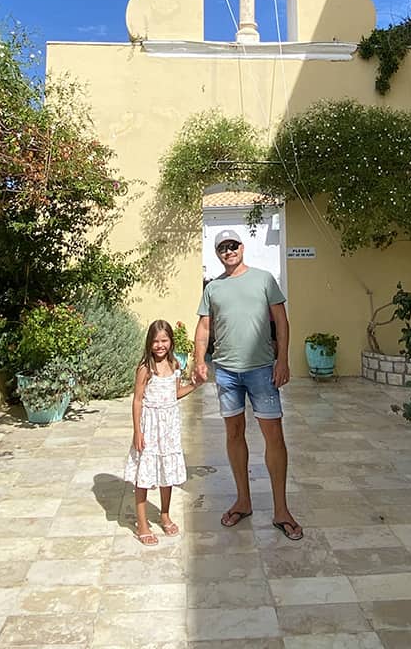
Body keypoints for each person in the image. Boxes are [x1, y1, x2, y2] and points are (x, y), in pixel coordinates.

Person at [193, 229, 303, 540]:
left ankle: (281, 509)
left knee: (274, 437)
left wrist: (282, 360)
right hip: (227, 373)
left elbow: (281, 321)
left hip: (262, 371)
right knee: (234, 434)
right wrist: (199, 360)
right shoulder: (213, 288)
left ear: (242, 247)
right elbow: (204, 327)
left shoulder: (264, 279)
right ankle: (243, 500)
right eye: (222, 248)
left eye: (233, 245)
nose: (228, 251)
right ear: (218, 253)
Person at [124, 319, 197, 545]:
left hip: (169, 427)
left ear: (171, 342)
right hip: (149, 425)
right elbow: (137, 401)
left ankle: (164, 515)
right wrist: (138, 432)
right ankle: (142, 523)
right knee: (144, 475)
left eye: (164, 340)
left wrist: (195, 384)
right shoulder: (145, 369)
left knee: (167, 472)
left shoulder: (175, 365)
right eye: (155, 341)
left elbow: (175, 393)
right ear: (149, 343)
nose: (160, 345)